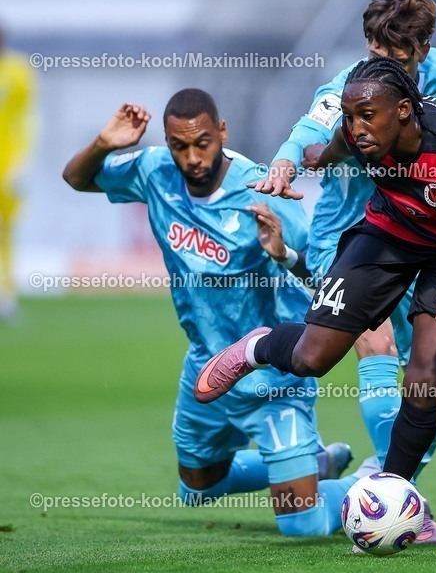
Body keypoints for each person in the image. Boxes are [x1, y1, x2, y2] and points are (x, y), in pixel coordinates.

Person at [250, 0, 436, 540]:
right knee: (376, 345)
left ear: (424, 51)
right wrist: (285, 165)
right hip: (354, 236)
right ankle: (392, 500)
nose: (384, 65)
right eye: (375, 50)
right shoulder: (350, 87)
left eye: (399, 57)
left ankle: (382, 490)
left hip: (431, 241)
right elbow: (308, 133)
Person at [194, 57, 436, 494]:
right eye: (349, 117)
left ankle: (392, 494)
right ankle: (257, 346)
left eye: (366, 116)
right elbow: (327, 150)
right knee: (312, 359)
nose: (356, 127)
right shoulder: (356, 135)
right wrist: (309, 161)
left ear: (403, 110)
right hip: (390, 233)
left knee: (426, 382)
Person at [63, 91, 353, 536]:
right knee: (196, 487)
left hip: (272, 373)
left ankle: (363, 488)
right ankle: (317, 461)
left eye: (203, 143)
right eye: (180, 146)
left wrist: (283, 254)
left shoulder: (263, 191)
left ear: (222, 132)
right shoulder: (155, 171)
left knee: (302, 526)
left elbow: (327, 281)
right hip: (206, 365)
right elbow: (77, 179)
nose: (193, 158)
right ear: (167, 142)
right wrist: (105, 142)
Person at [0, 24, 35, 320]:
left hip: (8, 165)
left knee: (6, 231)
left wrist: (23, 163)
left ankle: (6, 295)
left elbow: (26, 119)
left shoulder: (18, 71)